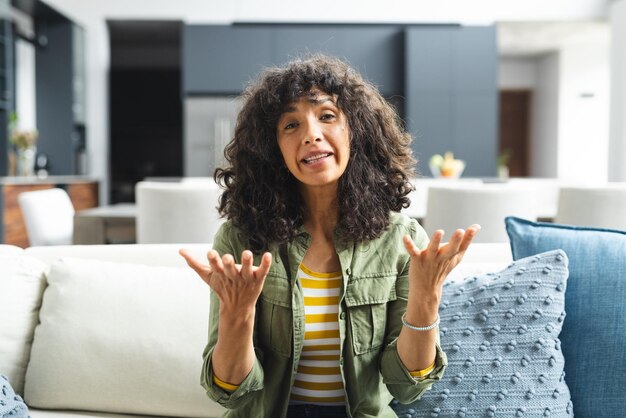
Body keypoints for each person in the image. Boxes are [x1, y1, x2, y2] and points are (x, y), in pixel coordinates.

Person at [179, 55, 480, 418]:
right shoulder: (241, 240)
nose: (311, 134)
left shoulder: (400, 239)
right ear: (273, 149)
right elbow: (230, 391)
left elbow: (407, 385)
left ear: (357, 130)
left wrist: (427, 295)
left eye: (326, 116)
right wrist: (238, 314)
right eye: (291, 125)